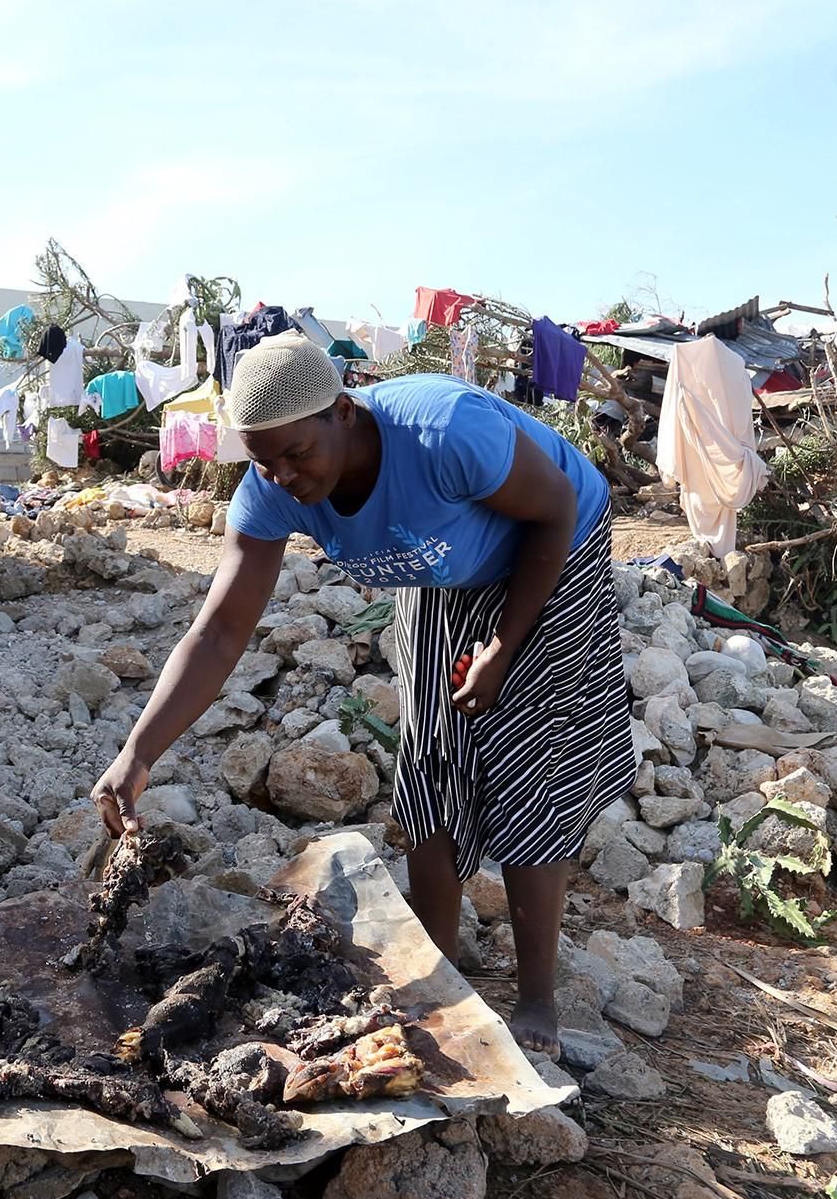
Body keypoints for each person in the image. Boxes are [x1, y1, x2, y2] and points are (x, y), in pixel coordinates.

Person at [90, 333, 634, 1058]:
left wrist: (503, 648)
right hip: (442, 565)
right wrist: (137, 753)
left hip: (551, 545)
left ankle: (537, 996)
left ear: (343, 413)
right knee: (431, 753)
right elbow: (220, 631)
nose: (283, 476)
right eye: (264, 461)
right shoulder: (271, 491)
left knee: (526, 758)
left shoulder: (445, 433)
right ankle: (438, 973)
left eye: (296, 454)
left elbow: (556, 507)